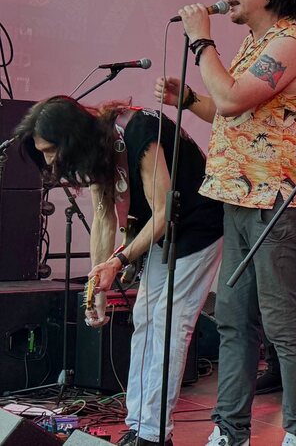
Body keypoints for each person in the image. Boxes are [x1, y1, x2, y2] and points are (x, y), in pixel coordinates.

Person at [156, 0, 296, 446]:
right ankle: (231, 431)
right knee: (233, 321)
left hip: (279, 204)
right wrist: (189, 98)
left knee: (284, 326)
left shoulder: (291, 42)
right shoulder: (256, 43)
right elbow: (232, 112)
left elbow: (231, 100)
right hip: (241, 200)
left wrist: (200, 41)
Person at [13, 96, 223, 446]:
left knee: (169, 324)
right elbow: (103, 216)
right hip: (162, 233)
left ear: (71, 137)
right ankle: (139, 425)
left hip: (199, 226)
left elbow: (162, 213)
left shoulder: (141, 132)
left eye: (51, 150)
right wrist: (98, 286)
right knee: (145, 318)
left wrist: (119, 261)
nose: (49, 161)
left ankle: (154, 434)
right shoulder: (97, 150)